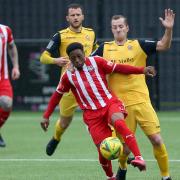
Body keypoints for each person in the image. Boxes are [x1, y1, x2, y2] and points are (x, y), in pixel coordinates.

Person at [41, 42, 156, 180]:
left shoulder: (97, 62)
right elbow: (56, 95)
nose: (77, 60)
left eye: (79, 56)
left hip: (109, 104)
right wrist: (46, 116)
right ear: (70, 59)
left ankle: (139, 157)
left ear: (84, 53)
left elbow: (120, 68)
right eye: (73, 58)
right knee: (103, 152)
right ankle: (110, 176)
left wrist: (141, 70)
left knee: (119, 123)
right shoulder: (68, 76)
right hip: (92, 116)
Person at [92, 9, 175, 180]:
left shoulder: (139, 45)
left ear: (127, 28)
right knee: (124, 148)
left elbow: (164, 45)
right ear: (111, 29)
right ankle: (122, 167)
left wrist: (168, 29)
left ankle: (166, 177)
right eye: (114, 27)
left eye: (121, 26)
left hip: (142, 103)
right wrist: (71, 64)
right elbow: (87, 63)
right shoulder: (104, 48)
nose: (118, 29)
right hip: (120, 107)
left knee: (157, 140)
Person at [40, 3, 98, 156]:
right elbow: (43, 57)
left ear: (83, 16)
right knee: (65, 122)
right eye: (72, 15)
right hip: (70, 85)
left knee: (97, 118)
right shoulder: (60, 36)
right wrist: (56, 60)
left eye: (78, 14)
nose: (76, 17)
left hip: (89, 85)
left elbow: (97, 51)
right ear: (67, 18)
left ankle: (111, 145)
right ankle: (56, 138)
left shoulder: (91, 33)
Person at [0, 24, 20, 147]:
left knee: (7, 104)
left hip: (3, 77)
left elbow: (11, 47)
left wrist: (16, 66)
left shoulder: (5, 30)